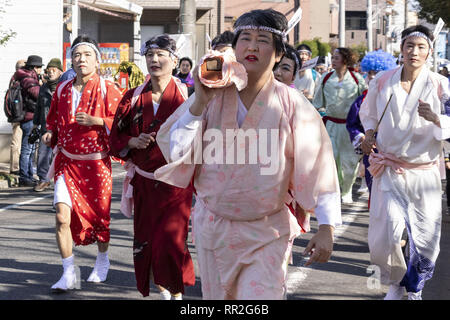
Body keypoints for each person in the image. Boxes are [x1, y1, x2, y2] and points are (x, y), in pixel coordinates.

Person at [153, 9, 341, 300]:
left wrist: (327, 227)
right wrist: (199, 102)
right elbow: (176, 151)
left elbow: (319, 164)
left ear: (278, 54)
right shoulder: (209, 96)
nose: (252, 46)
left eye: (263, 40)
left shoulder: (292, 104)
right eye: (246, 38)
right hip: (214, 229)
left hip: (268, 231)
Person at [360, 25, 450, 300]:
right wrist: (369, 136)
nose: (414, 51)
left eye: (421, 47)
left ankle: (414, 290)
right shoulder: (382, 81)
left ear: (430, 52)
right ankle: (396, 283)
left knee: (425, 240)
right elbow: (370, 114)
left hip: (424, 172)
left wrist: (436, 118)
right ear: (401, 49)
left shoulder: (440, 85)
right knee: (384, 237)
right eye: (409, 45)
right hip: (389, 169)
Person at [109, 34, 195, 300]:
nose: (154, 60)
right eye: (150, 55)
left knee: (171, 241)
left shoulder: (189, 95)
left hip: (177, 184)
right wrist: (132, 141)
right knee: (147, 243)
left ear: (174, 60)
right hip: (145, 182)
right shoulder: (133, 97)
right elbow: (114, 138)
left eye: (161, 55)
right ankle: (164, 293)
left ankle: (177, 295)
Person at [42, 35, 122, 291]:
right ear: (71, 61)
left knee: (100, 219)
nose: (81, 59)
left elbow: (121, 123)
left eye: (87, 55)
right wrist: (49, 134)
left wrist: (98, 121)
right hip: (67, 163)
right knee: (61, 218)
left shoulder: (109, 88)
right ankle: (68, 271)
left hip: (96, 165)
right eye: (77, 55)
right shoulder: (62, 89)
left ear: (97, 61)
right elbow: (53, 121)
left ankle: (102, 259)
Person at [313, 47, 367, 204]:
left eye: (337, 57)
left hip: (350, 128)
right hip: (330, 125)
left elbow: (365, 102)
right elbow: (317, 103)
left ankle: (347, 191)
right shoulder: (325, 78)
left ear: (345, 59)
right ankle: (336, 189)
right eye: (333, 57)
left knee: (350, 161)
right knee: (331, 159)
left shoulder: (357, 79)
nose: (333, 60)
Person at [346, 49, 397, 199]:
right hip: (372, 153)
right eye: (370, 73)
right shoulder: (361, 100)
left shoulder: (396, 98)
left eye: (379, 72)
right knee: (374, 193)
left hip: (394, 154)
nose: (373, 76)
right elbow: (352, 123)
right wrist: (361, 137)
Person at [33, 58, 64, 192]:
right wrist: (35, 124)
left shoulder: (64, 86)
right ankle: (43, 180)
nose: (50, 73)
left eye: (53, 70)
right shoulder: (44, 87)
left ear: (60, 72)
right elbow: (39, 107)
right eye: (48, 70)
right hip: (46, 126)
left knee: (59, 155)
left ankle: (60, 180)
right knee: (43, 154)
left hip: (61, 128)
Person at [14, 55, 44, 187]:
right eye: (39, 68)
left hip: (31, 116)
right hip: (28, 116)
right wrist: (43, 86)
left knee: (31, 148)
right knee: (27, 148)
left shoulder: (25, 76)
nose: (40, 71)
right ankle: (24, 176)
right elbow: (37, 94)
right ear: (34, 67)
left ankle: (29, 175)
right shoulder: (27, 78)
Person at [8, 59, 26, 175]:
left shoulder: (13, 79)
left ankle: (15, 167)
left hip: (15, 115)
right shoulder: (21, 80)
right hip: (21, 114)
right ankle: (15, 168)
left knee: (16, 142)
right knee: (18, 142)